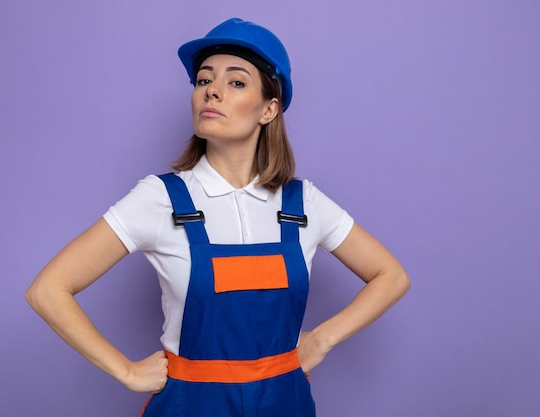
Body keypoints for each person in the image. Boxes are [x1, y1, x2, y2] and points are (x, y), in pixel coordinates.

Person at [26, 17, 410, 416]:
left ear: (269, 109)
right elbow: (48, 290)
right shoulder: (160, 199)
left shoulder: (302, 203)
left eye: (236, 82)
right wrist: (126, 371)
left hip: (285, 402)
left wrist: (324, 338)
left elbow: (391, 276)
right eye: (203, 80)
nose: (212, 91)